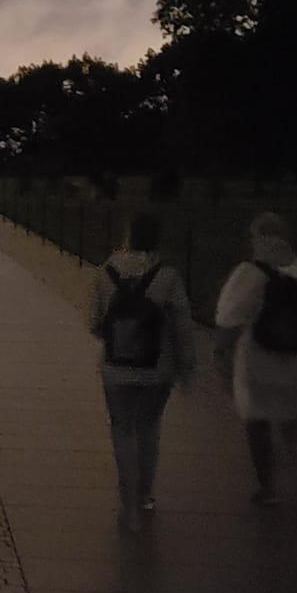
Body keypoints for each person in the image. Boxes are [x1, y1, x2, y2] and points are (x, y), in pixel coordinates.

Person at [214, 212, 297, 506]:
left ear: (259, 238)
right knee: (293, 425)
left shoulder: (249, 272)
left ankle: (269, 487)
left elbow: (227, 316)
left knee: (258, 423)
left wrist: (222, 352)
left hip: (259, 356)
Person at [86, 212, 196, 533]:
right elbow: (183, 326)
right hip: (158, 369)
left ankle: (128, 501)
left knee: (122, 430)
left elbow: (94, 322)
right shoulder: (168, 278)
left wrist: (119, 335)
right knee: (148, 428)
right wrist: (187, 366)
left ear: (128, 236)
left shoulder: (104, 273)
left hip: (116, 368)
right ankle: (145, 493)